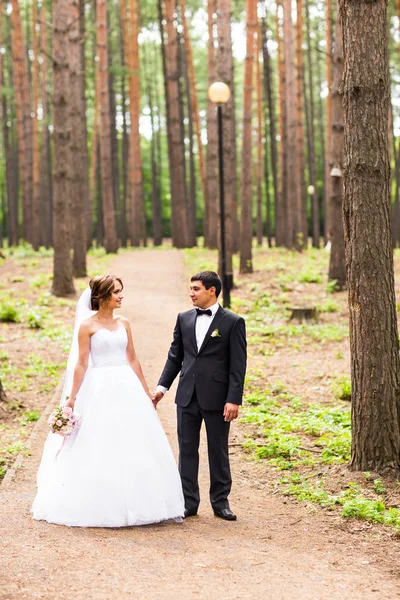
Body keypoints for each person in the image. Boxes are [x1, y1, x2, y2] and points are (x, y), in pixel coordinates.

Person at [32, 275, 184, 527]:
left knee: (134, 439)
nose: (121, 296)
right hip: (99, 387)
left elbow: (133, 358)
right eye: (116, 292)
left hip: (127, 386)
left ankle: (139, 503)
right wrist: (72, 398)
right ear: (102, 297)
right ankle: (101, 503)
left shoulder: (124, 322)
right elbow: (81, 363)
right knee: (99, 439)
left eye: (121, 291)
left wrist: (146, 392)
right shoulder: (87, 326)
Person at [153, 271, 247, 521]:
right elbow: (175, 356)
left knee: (218, 449)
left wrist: (234, 398)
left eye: (196, 289)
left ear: (212, 291)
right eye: (191, 288)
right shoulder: (183, 318)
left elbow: (238, 365)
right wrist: (161, 388)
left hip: (218, 398)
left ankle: (220, 502)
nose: (191, 293)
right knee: (186, 449)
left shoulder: (233, 322)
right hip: (187, 395)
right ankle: (188, 502)